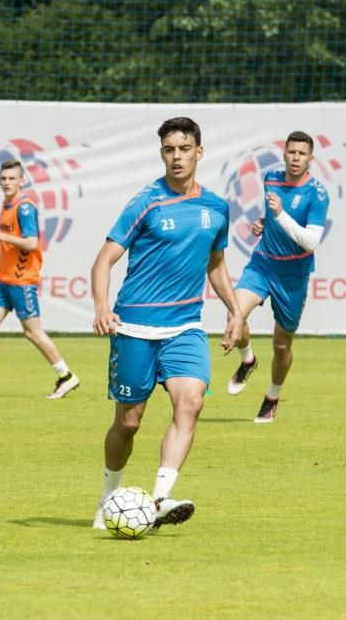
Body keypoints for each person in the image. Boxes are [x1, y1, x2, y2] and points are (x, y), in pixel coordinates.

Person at [90, 117, 243, 530]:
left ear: (199, 152)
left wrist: (235, 310)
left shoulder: (216, 207)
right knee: (129, 421)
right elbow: (104, 259)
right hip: (136, 327)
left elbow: (216, 264)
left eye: (184, 148)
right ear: (162, 153)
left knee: (191, 402)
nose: (177, 157)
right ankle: (108, 498)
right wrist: (103, 307)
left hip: (185, 327)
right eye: (169, 150)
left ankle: (159, 498)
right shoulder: (146, 203)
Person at [226, 131, 330, 423]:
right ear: (284, 154)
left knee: (282, 345)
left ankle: (272, 396)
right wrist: (264, 222)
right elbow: (272, 214)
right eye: (291, 152)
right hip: (262, 265)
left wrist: (280, 216)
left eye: (302, 154)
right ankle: (248, 359)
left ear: (311, 159)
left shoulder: (318, 194)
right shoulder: (271, 177)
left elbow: (310, 241)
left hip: (293, 276)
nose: (296, 158)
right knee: (234, 314)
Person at [0, 160, 80, 400]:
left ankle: (66, 376)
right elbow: (13, 239)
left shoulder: (24, 207)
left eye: (12, 178)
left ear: (22, 180)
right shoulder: (6, 202)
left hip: (22, 280)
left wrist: (0, 235)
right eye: (3, 179)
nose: (6, 183)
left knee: (33, 333)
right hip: (3, 279)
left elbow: (32, 243)